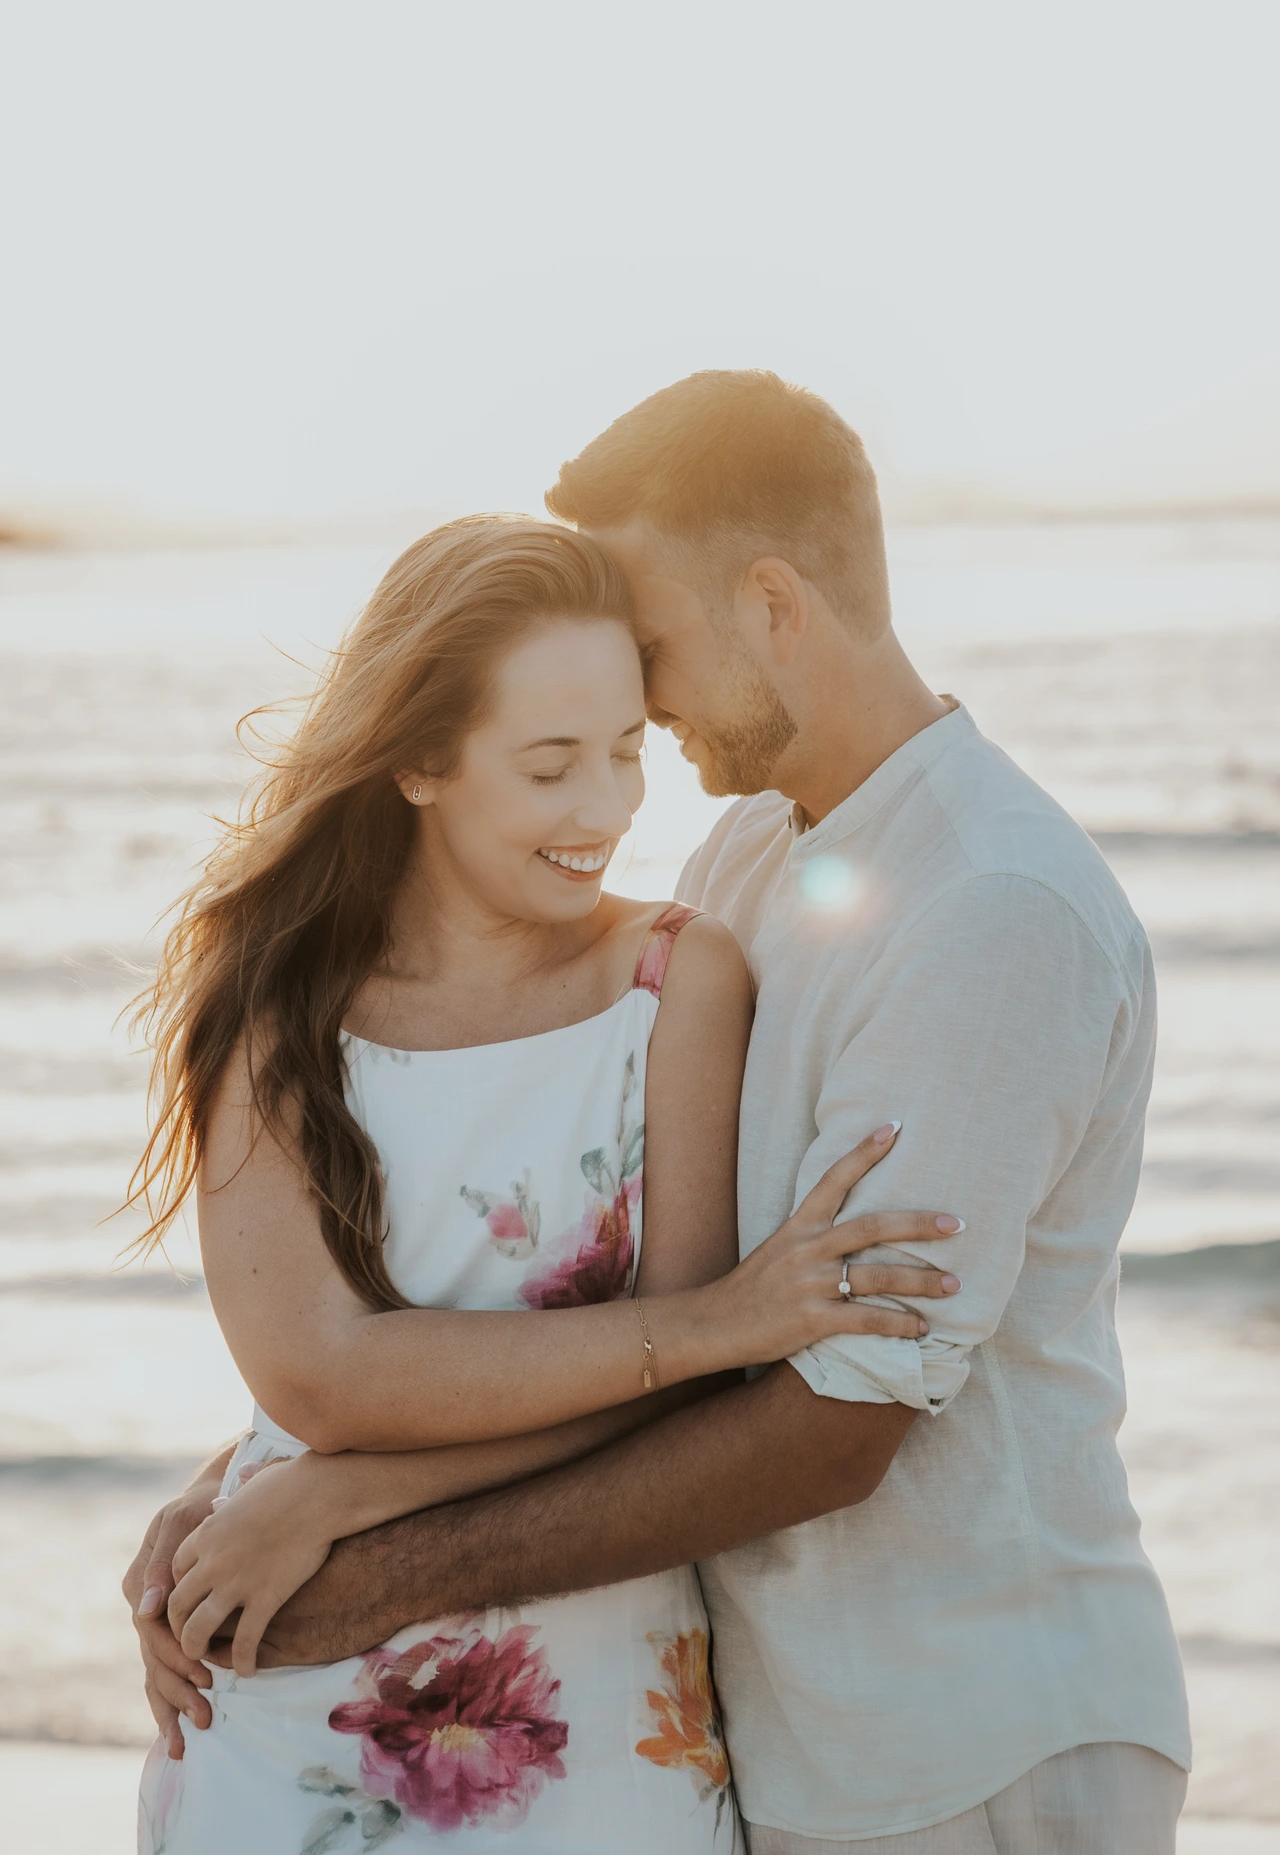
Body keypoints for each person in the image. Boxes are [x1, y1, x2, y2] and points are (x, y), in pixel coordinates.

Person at [123, 512, 960, 1854]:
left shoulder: (676, 982)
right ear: (418, 763)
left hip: (598, 1701)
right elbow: (320, 1379)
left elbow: (673, 1407)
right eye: (550, 765)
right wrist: (713, 1323)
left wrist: (346, 1493)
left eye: (628, 752)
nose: (607, 811)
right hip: (288, 1684)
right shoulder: (273, 999)